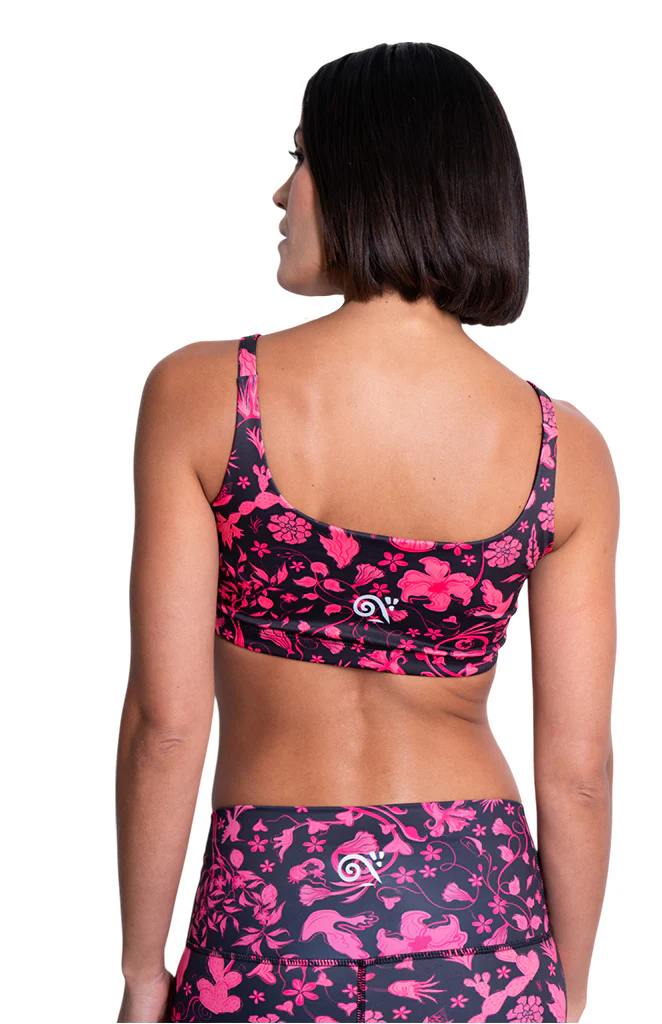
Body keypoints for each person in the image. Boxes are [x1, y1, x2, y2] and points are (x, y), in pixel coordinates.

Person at [116, 42, 617, 1024]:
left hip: (269, 909)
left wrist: (142, 969)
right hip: (480, 914)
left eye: (301, 158)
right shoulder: (564, 450)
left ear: (370, 175)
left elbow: (165, 726)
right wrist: (564, 991)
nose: (281, 192)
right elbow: (581, 772)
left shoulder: (203, 396)